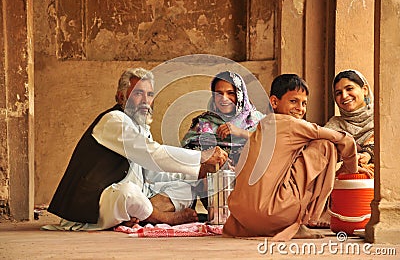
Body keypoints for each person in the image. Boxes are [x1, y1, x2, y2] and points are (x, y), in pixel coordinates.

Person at [45, 68, 228, 231]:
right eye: (138, 93)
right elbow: (152, 153)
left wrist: (196, 173)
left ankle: (140, 213)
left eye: (149, 95)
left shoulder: (141, 128)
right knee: (128, 192)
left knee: (186, 188)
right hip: (99, 200)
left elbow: (152, 173)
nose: (145, 101)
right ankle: (163, 217)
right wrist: (201, 157)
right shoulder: (114, 121)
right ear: (120, 97)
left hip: (138, 197)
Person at [222, 74, 369, 241]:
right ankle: (306, 220)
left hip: (243, 219)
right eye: (293, 101)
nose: (300, 108)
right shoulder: (292, 124)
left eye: (304, 103)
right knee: (325, 145)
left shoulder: (262, 125)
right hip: (273, 215)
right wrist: (351, 170)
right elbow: (345, 139)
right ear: (275, 102)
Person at [180, 71, 265, 208]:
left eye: (230, 93)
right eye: (218, 94)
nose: (224, 98)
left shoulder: (257, 121)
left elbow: (274, 147)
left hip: (251, 192)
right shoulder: (204, 123)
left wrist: (241, 133)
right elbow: (187, 154)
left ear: (240, 95)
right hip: (215, 195)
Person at [325, 69, 374, 176]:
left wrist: (368, 154)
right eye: (338, 93)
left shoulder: (381, 120)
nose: (344, 96)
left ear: (364, 90)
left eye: (349, 89)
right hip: (343, 186)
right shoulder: (333, 126)